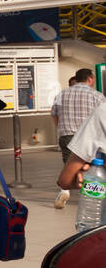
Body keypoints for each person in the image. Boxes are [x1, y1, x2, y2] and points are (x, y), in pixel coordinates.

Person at [51, 68, 106, 209]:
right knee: (94, 167)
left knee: (72, 168)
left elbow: (54, 113)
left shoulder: (61, 94)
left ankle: (65, 192)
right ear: (90, 79)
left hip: (67, 133)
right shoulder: (97, 96)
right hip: (92, 137)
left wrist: (61, 128)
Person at [57, 98, 106, 194]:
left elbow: (65, 180)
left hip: (71, 135)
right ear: (90, 81)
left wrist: (92, 173)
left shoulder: (103, 111)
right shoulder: (97, 96)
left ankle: (64, 193)